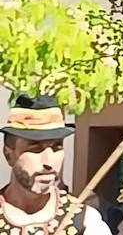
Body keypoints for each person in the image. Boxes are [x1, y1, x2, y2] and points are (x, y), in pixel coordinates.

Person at [0, 95, 110, 235]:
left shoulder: (84, 222)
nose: (48, 162)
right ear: (9, 154)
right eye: (36, 149)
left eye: (57, 147)